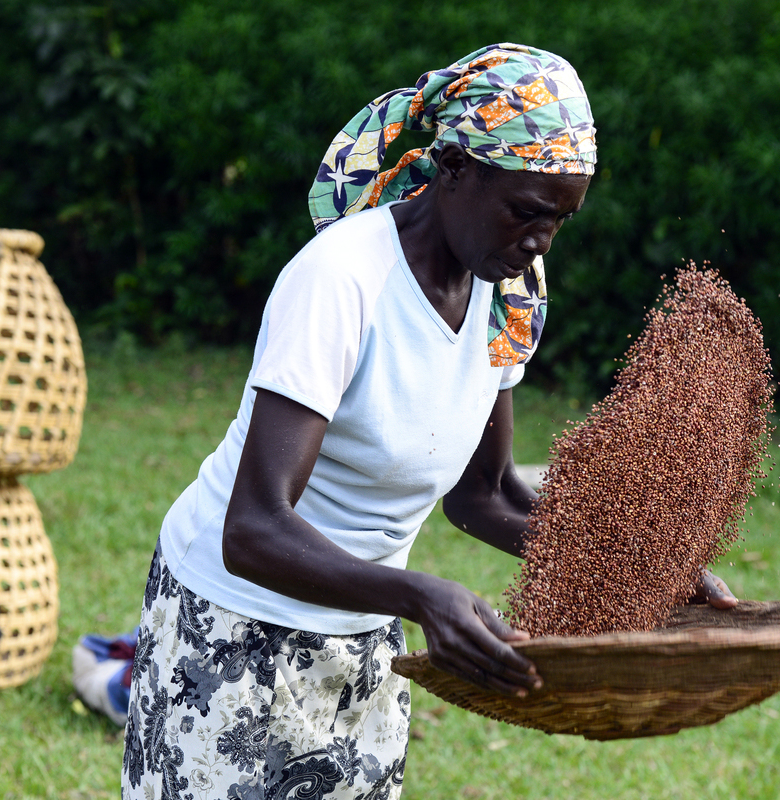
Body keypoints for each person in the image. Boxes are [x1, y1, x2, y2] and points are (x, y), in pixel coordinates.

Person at [120, 42, 735, 800]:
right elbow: (250, 529)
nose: (541, 241)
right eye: (526, 212)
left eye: (561, 221)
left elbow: (487, 496)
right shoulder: (342, 281)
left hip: (362, 631)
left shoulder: (507, 291)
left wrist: (646, 569)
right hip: (231, 626)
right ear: (453, 170)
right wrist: (419, 595)